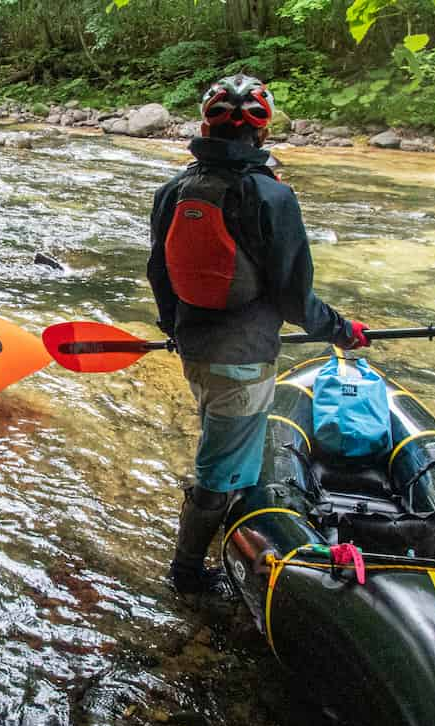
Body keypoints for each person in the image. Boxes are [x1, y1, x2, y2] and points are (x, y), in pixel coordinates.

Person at [147, 74, 369, 594]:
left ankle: (214, 524)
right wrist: (342, 331)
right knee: (218, 470)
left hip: (195, 351)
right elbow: (296, 298)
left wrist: (171, 327)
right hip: (243, 360)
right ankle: (185, 574)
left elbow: (158, 273)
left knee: (220, 444)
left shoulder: (172, 190)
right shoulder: (273, 197)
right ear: (262, 136)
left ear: (205, 126)